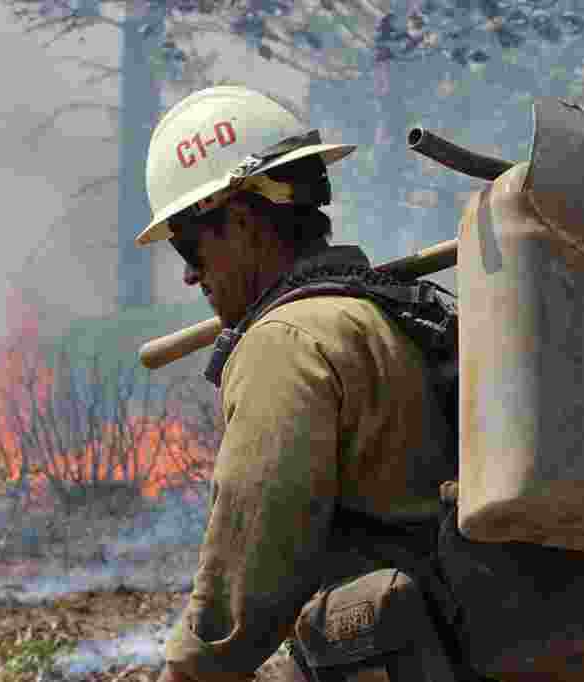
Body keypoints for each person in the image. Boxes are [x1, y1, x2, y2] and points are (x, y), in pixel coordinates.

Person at [134, 85, 459, 682]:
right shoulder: (391, 313)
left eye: (188, 242)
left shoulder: (286, 343)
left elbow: (242, 593)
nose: (187, 274)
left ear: (239, 220)